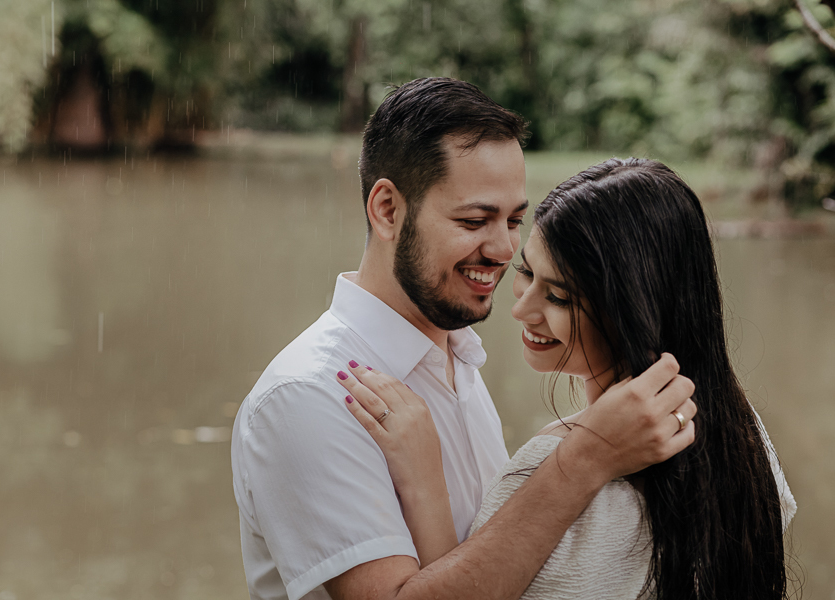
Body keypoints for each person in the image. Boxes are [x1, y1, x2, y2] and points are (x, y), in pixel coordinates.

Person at [231, 79, 697, 600]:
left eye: (514, 219)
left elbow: (490, 566)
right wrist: (588, 456)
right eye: (475, 220)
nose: (502, 249)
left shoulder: (457, 358)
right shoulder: (312, 395)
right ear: (387, 210)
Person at [337, 157, 797, 599]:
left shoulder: (556, 472)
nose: (521, 308)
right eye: (526, 272)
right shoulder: (745, 439)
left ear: (632, 311)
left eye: (558, 296)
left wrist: (424, 482)